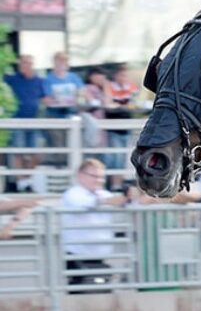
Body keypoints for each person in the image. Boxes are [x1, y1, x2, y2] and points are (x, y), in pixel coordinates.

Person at [61, 159, 126, 288]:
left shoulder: (104, 194)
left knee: (102, 291)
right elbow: (83, 203)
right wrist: (106, 201)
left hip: (100, 257)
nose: (98, 180)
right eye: (94, 176)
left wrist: (127, 198)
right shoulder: (73, 193)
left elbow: (117, 203)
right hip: (77, 256)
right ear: (80, 175)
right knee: (82, 291)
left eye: (101, 177)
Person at [4, 54, 46, 167]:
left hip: (34, 120)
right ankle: (21, 182)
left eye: (28, 63)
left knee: (37, 153)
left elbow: (45, 98)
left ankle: (26, 179)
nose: (26, 65)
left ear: (32, 65)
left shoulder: (39, 81)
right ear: (19, 65)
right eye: (23, 63)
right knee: (18, 152)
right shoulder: (12, 79)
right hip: (17, 120)